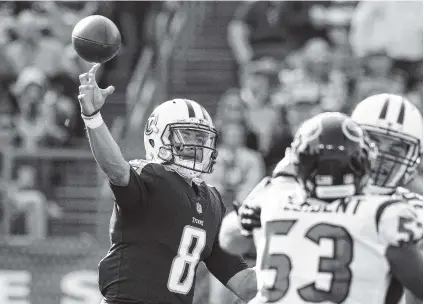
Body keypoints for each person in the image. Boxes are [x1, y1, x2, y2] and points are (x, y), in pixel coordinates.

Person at [77, 64, 256, 304]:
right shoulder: (151, 176)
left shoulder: (211, 200)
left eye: (201, 138)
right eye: (186, 136)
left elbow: (244, 283)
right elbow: (116, 170)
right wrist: (93, 118)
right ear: (157, 136)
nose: (195, 146)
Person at [247, 112, 422, 303]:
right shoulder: (385, 212)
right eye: (376, 142)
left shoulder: (275, 197)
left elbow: (229, 240)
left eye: (396, 148)